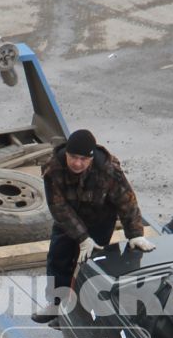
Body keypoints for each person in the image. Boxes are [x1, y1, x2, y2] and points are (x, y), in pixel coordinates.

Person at [36, 128, 153, 323]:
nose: (77, 163)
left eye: (83, 159)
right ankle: (56, 305)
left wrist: (135, 234)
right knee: (58, 258)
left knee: (89, 266)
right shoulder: (53, 169)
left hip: (100, 220)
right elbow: (58, 207)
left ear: (91, 159)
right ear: (66, 154)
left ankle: (76, 313)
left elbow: (126, 201)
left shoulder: (108, 170)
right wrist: (82, 238)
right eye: (73, 157)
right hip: (68, 219)